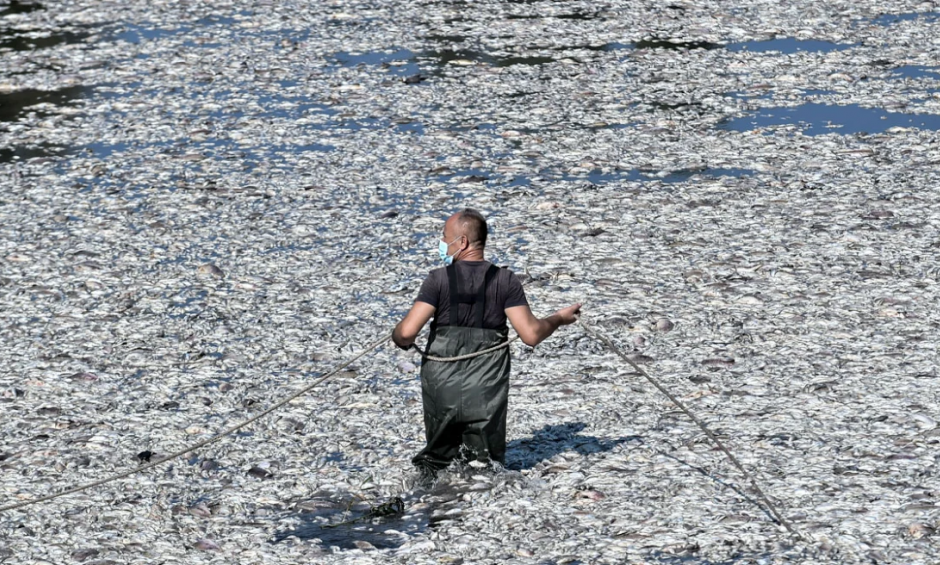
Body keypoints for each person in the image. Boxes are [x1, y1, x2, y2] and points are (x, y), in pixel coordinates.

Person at [392, 208, 581, 481]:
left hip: (441, 385)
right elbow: (531, 334)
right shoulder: (505, 281)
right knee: (484, 470)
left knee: (437, 465)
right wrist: (559, 319)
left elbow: (407, 333)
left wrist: (396, 335)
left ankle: (433, 513)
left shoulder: (438, 279)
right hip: (485, 389)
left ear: (463, 242)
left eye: (445, 237)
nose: (443, 243)